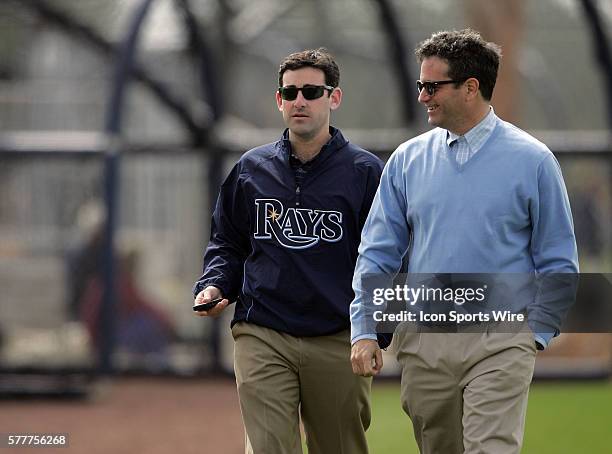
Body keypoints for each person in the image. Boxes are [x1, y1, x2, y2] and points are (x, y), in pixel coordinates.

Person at [350, 29, 578, 454]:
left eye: (432, 86)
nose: (422, 96)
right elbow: (378, 252)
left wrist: (536, 332)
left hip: (503, 339)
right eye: (420, 85)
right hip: (424, 341)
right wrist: (365, 326)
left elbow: (558, 259)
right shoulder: (406, 161)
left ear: (471, 87)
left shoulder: (534, 161)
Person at [193, 48, 383, 454]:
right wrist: (214, 284)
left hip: (337, 336)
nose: (300, 100)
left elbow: (386, 257)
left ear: (334, 98)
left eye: (312, 91)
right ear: (279, 100)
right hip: (263, 330)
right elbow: (227, 241)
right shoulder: (250, 169)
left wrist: (375, 332)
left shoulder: (365, 172)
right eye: (291, 92)